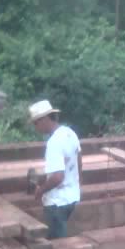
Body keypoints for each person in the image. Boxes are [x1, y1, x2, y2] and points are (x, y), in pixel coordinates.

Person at [29, 100, 82, 238]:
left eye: (36, 123)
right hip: (71, 197)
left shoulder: (54, 143)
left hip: (56, 203)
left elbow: (58, 177)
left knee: (58, 245)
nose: (36, 127)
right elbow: (79, 160)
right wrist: (76, 183)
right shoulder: (70, 133)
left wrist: (40, 191)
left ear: (45, 119)